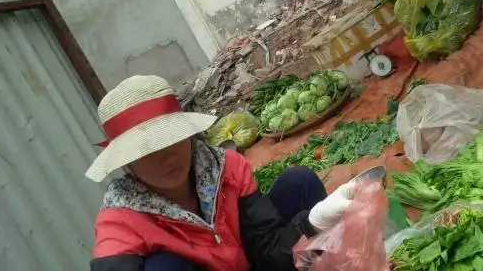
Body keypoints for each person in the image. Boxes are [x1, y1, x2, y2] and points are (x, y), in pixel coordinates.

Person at [86, 75, 355, 271]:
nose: (167, 156)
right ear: (127, 164)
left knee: (299, 182)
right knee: (162, 268)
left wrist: (312, 223)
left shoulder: (227, 168)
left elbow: (269, 250)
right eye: (147, 151)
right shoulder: (120, 220)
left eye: (172, 139)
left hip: (258, 264)